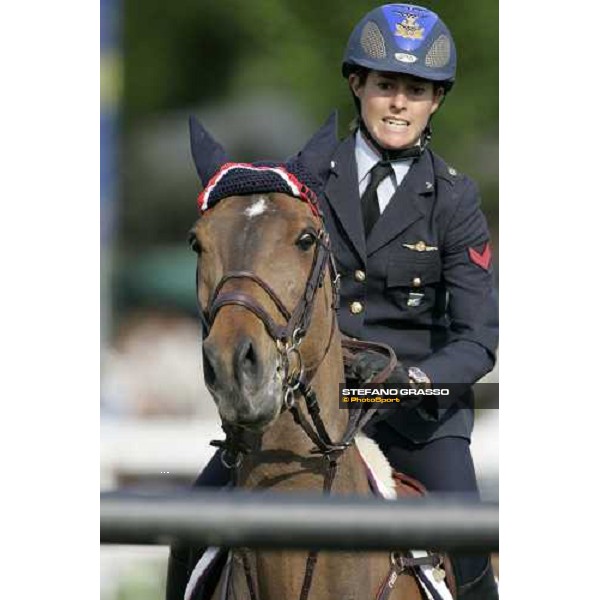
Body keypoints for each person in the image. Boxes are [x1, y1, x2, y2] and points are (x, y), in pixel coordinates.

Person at [166, 4, 498, 599]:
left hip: (418, 420)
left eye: (416, 90)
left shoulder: (454, 199)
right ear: (358, 85)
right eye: (386, 85)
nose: (399, 102)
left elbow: (477, 341)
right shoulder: (307, 183)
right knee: (190, 527)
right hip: (307, 408)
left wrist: (402, 384)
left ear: (435, 101)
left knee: (470, 548)